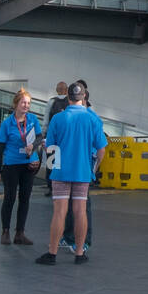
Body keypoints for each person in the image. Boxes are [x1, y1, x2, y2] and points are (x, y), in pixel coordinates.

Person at [36, 82, 107, 265]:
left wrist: (53, 169)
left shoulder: (58, 119)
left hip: (61, 171)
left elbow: (50, 147)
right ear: (83, 97)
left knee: (60, 212)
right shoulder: (92, 119)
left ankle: (52, 254)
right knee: (80, 211)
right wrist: (94, 168)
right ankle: (79, 253)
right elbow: (101, 149)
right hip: (83, 172)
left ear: (67, 98)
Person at [0, 89, 42, 246]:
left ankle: (20, 233)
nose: (26, 106)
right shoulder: (7, 124)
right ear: (16, 104)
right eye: (23, 102)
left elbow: (40, 137)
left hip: (28, 164)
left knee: (25, 198)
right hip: (11, 165)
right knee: (10, 197)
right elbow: (0, 147)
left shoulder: (33, 119)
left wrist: (33, 145)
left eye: (28, 103)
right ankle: (5, 231)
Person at [61, 78, 95, 250]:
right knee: (69, 206)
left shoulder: (91, 117)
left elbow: (99, 147)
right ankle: (69, 237)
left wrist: (93, 168)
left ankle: (84, 241)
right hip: (74, 169)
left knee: (82, 207)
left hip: (80, 169)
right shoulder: (69, 116)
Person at [42, 81, 69, 197]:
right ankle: (64, 186)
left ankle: (51, 187)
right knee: (64, 161)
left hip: (52, 137)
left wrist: (44, 135)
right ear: (67, 90)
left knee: (51, 163)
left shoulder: (51, 101)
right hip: (65, 138)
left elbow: (46, 120)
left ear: (57, 90)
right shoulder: (70, 101)